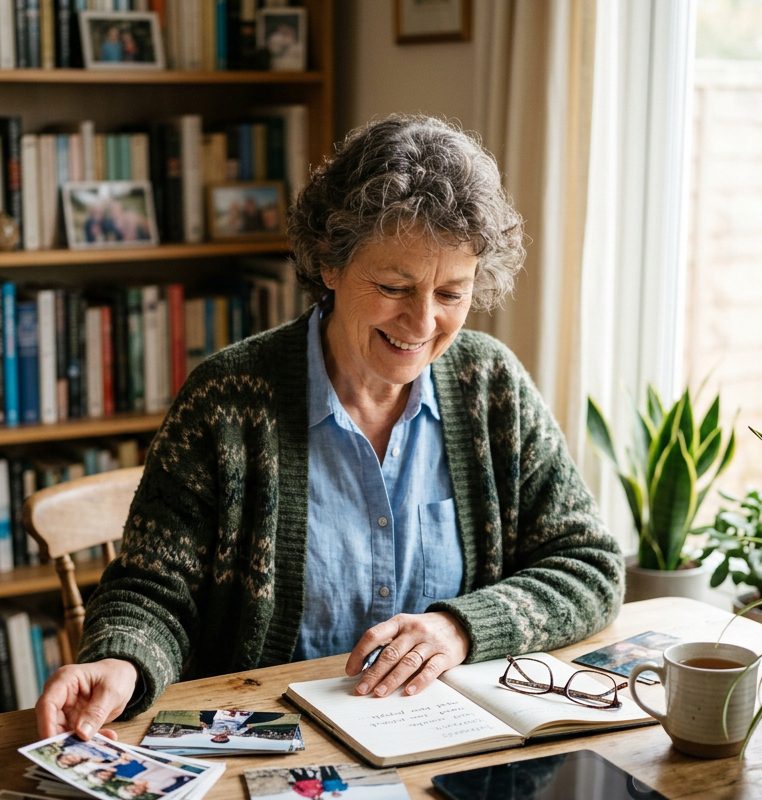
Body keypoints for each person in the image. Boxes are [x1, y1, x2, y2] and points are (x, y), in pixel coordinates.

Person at [34, 113, 623, 742]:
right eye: (395, 286)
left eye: (451, 294)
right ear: (330, 263)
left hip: (449, 747)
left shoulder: (491, 388)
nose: (423, 323)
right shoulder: (229, 399)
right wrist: (121, 660)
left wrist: (459, 628)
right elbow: (152, 589)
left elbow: (589, 564)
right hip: (264, 748)